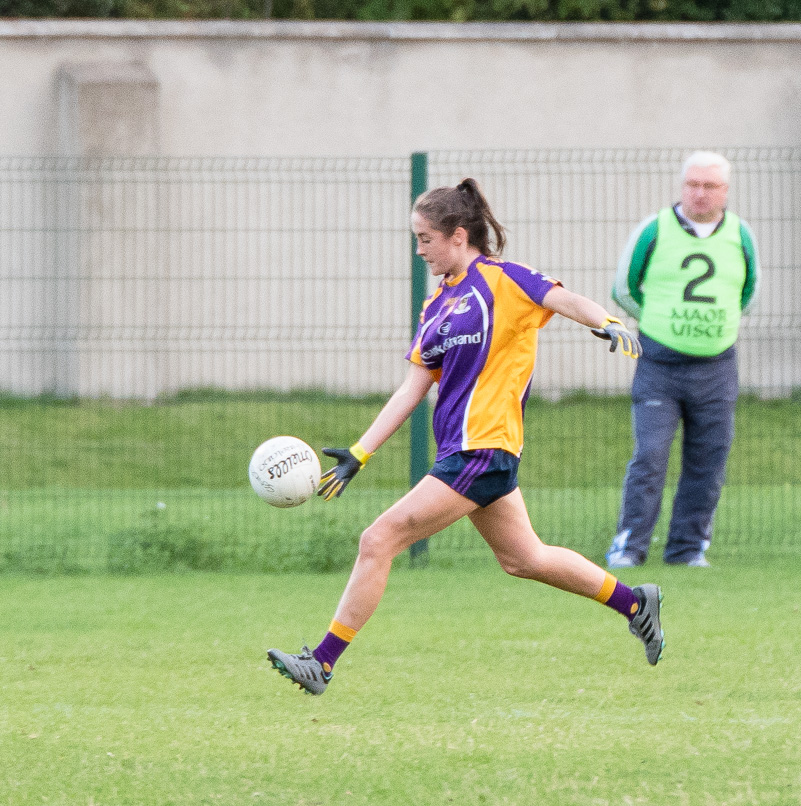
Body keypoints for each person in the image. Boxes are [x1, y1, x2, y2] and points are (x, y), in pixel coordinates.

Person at [267, 179, 663, 696]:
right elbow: (414, 387)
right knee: (524, 559)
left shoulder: (501, 280)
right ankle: (635, 603)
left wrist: (605, 321)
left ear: (458, 235)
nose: (419, 250)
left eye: (425, 238)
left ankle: (321, 662)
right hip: (462, 452)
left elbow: (565, 299)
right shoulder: (436, 306)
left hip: (485, 448)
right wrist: (361, 452)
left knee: (378, 540)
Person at [605, 152, 758, 570]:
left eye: (709, 186)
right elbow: (624, 290)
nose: (699, 193)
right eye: (692, 184)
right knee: (650, 456)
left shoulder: (741, 235)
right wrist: (659, 326)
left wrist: (711, 328)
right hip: (659, 365)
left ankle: (688, 549)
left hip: (717, 367)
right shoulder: (654, 231)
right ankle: (628, 547)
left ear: (724, 191)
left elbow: (747, 293)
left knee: (708, 460)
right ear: (681, 186)